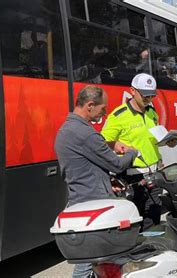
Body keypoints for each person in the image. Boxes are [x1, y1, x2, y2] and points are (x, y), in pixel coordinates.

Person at [55, 85, 138, 278]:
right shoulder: (85, 133)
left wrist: (106, 180)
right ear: (90, 105)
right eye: (103, 108)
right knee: (90, 261)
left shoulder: (66, 130)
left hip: (80, 199)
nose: (105, 112)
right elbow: (117, 164)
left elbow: (83, 168)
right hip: (93, 204)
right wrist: (132, 152)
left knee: (97, 259)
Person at [101, 73, 177, 228]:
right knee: (134, 223)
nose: (148, 99)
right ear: (132, 91)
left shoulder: (151, 112)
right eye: (145, 96)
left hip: (154, 176)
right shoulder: (118, 115)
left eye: (151, 96)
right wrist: (118, 145)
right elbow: (102, 142)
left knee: (153, 221)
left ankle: (153, 251)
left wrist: (168, 142)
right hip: (133, 179)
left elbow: (152, 140)